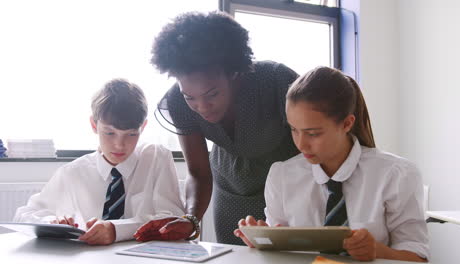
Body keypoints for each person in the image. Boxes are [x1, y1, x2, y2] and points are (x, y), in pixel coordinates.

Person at [135, 11, 299, 244]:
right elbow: (198, 173)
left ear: (234, 73)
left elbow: (316, 146)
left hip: (290, 189)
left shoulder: (275, 81)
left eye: (212, 94)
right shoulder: (177, 103)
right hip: (231, 193)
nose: (202, 107)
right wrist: (191, 218)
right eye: (190, 97)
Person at [234, 67, 429, 262]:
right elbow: (282, 255)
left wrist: (376, 251)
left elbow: (418, 258)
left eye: (313, 133)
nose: (301, 144)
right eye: (294, 130)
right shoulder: (282, 176)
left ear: (346, 124)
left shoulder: (397, 175)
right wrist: (263, 241)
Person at [14, 79, 185, 245]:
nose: (119, 145)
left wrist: (116, 230)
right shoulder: (72, 172)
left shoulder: (157, 158)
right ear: (94, 125)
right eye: (110, 133)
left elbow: (172, 219)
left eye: (131, 134)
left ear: (143, 127)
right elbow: (23, 215)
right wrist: (51, 222)